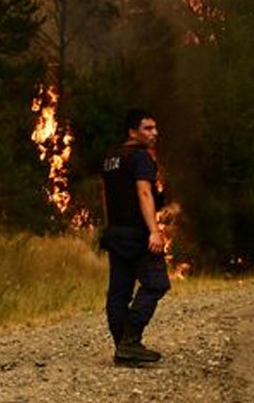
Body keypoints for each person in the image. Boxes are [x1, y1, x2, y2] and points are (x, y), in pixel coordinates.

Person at [100, 109, 171, 366]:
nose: (154, 133)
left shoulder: (111, 158)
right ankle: (130, 341)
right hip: (137, 233)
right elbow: (144, 194)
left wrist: (109, 228)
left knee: (119, 291)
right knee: (157, 283)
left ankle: (122, 347)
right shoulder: (140, 158)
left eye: (155, 128)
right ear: (132, 131)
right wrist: (154, 230)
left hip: (116, 232)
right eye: (148, 129)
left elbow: (106, 196)